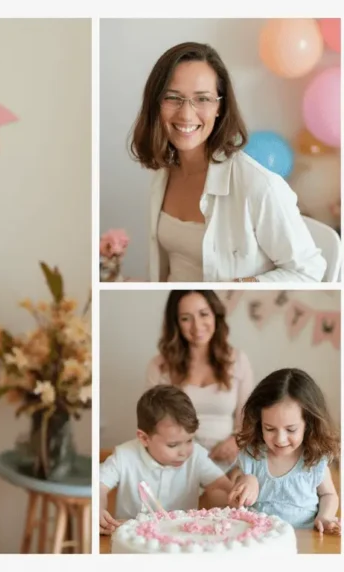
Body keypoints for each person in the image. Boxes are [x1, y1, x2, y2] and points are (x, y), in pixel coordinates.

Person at [131, 42, 324, 282]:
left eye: (202, 99)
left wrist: (240, 287)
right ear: (156, 104)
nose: (186, 114)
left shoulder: (260, 186)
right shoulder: (163, 174)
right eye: (173, 98)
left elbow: (309, 271)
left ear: (220, 106)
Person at [99, 385, 233, 534]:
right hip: (132, 539)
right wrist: (98, 508)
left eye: (189, 440)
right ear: (144, 438)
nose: (184, 452)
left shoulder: (196, 456)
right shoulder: (124, 456)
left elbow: (224, 487)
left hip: (182, 540)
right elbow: (98, 486)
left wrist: (237, 492)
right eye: (173, 445)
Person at [146, 290, 255, 473]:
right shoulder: (160, 366)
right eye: (186, 318)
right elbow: (151, 423)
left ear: (215, 315)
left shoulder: (238, 360)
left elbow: (250, 419)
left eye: (203, 314)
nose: (197, 327)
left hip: (228, 464)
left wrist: (236, 441)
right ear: (176, 323)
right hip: (178, 465)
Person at [228, 368, 340, 532]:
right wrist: (245, 480)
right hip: (260, 538)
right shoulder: (252, 455)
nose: (280, 439)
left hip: (304, 538)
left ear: (308, 424)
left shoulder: (314, 459)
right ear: (259, 423)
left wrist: (325, 517)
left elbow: (329, 495)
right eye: (270, 429)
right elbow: (232, 487)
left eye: (291, 429)